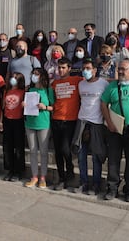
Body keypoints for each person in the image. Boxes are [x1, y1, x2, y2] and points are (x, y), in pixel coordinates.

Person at [101, 60, 129, 202]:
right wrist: (109, 123)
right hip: (114, 129)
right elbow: (103, 104)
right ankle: (112, 188)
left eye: (124, 69)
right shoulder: (112, 86)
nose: (120, 71)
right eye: (119, 69)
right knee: (113, 160)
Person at [75, 58, 109, 194]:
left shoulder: (104, 84)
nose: (85, 71)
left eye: (88, 68)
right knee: (81, 155)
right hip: (82, 122)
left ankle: (96, 184)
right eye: (84, 68)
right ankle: (83, 182)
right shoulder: (81, 85)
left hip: (97, 123)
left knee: (96, 156)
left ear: (95, 70)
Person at [51, 57, 82, 190]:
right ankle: (61, 178)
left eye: (63, 67)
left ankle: (70, 172)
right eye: (59, 68)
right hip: (56, 119)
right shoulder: (55, 83)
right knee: (58, 151)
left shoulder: (77, 81)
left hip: (70, 120)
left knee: (65, 148)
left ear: (69, 68)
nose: (61, 70)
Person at [24, 68, 55, 189]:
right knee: (32, 150)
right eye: (33, 74)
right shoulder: (29, 89)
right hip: (30, 123)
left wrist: (45, 107)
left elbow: (53, 107)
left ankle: (43, 177)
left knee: (43, 151)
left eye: (36, 74)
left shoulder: (48, 90)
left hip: (43, 123)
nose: (34, 76)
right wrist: (24, 105)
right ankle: (34, 176)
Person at [0, 72, 26, 182]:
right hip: (7, 120)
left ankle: (19, 171)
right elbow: (3, 107)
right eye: (12, 77)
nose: (13, 79)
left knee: (18, 147)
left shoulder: (23, 92)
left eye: (15, 78)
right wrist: (1, 121)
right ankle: (10, 170)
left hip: (18, 121)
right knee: (7, 147)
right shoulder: (7, 91)